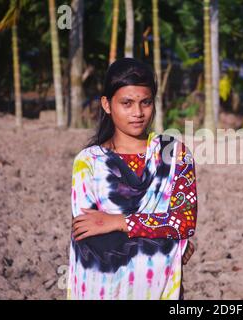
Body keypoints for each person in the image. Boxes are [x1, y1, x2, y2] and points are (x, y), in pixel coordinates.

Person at [67, 58, 197, 300]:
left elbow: (184, 223)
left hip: (160, 290)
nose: (138, 113)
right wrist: (170, 242)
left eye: (145, 102)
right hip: (103, 287)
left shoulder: (174, 153)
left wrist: (119, 222)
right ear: (106, 104)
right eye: (126, 103)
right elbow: (91, 238)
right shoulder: (89, 162)